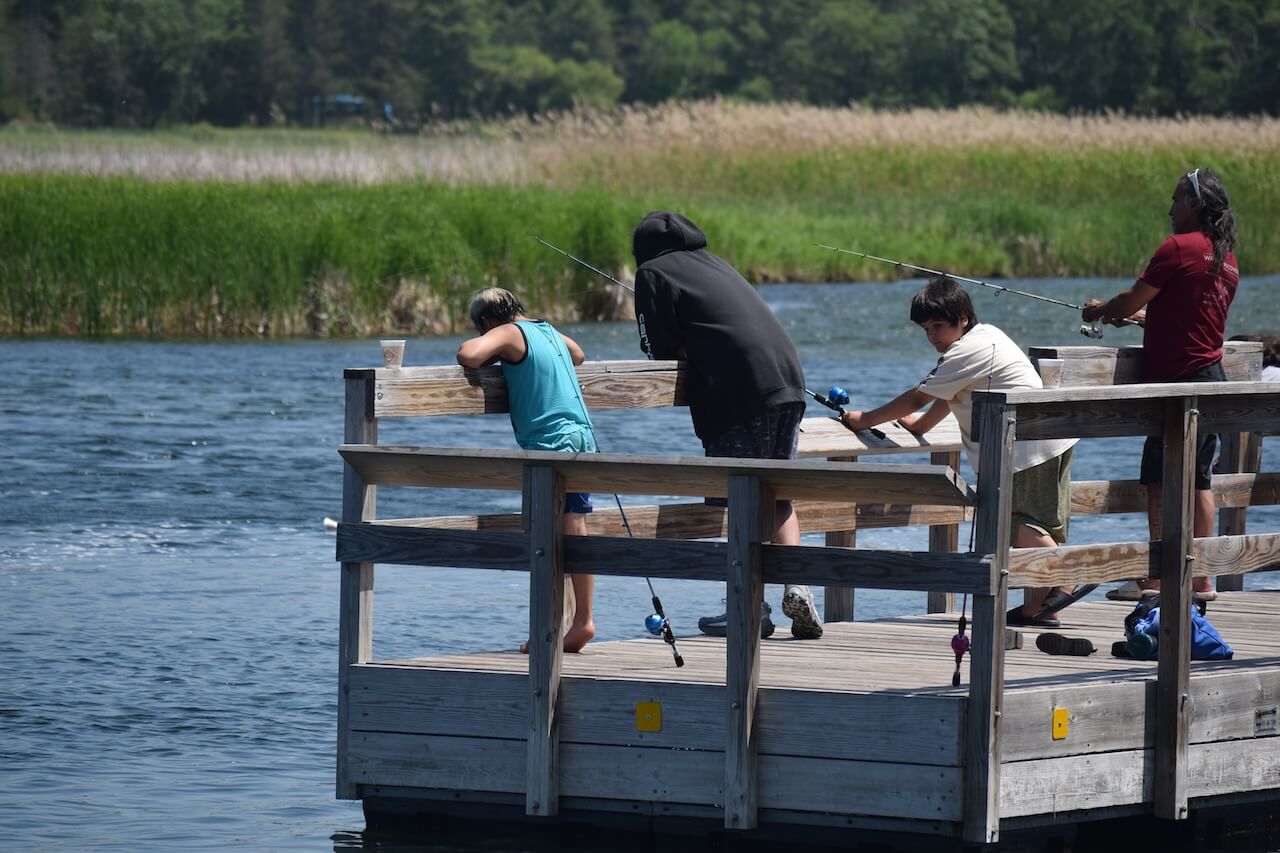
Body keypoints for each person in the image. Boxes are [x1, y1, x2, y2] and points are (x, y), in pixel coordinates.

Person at [839, 277, 1092, 629]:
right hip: (1049, 440)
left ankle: (1065, 576)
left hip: (1022, 448)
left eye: (938, 326)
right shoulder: (988, 336)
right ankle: (1040, 606)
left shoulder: (965, 351)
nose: (932, 336)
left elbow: (917, 396)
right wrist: (921, 427)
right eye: (926, 329)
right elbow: (950, 394)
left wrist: (863, 419)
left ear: (962, 318)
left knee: (1012, 522)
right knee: (1040, 524)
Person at [631, 210, 822, 640]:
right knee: (776, 491)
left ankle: (748, 609)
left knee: (742, 500)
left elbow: (657, 348)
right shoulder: (716, 263)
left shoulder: (652, 272)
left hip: (739, 392)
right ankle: (797, 586)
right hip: (788, 381)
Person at [1084, 168, 1239, 603]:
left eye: (1176, 199)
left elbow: (1133, 298)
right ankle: (1203, 578)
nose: (1170, 208)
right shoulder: (1225, 257)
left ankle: (1158, 577)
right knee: (1200, 481)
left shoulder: (1177, 247)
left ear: (1195, 204)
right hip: (1212, 379)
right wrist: (1134, 316)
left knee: (1159, 480)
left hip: (1175, 384)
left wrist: (1101, 311)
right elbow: (1183, 317)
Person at [456, 287, 596, 652]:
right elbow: (578, 354)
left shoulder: (507, 333)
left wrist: (493, 346)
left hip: (549, 446)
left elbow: (468, 355)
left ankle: (549, 630)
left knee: (543, 538)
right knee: (575, 528)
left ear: (487, 321)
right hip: (581, 437)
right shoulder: (546, 329)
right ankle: (581, 621)